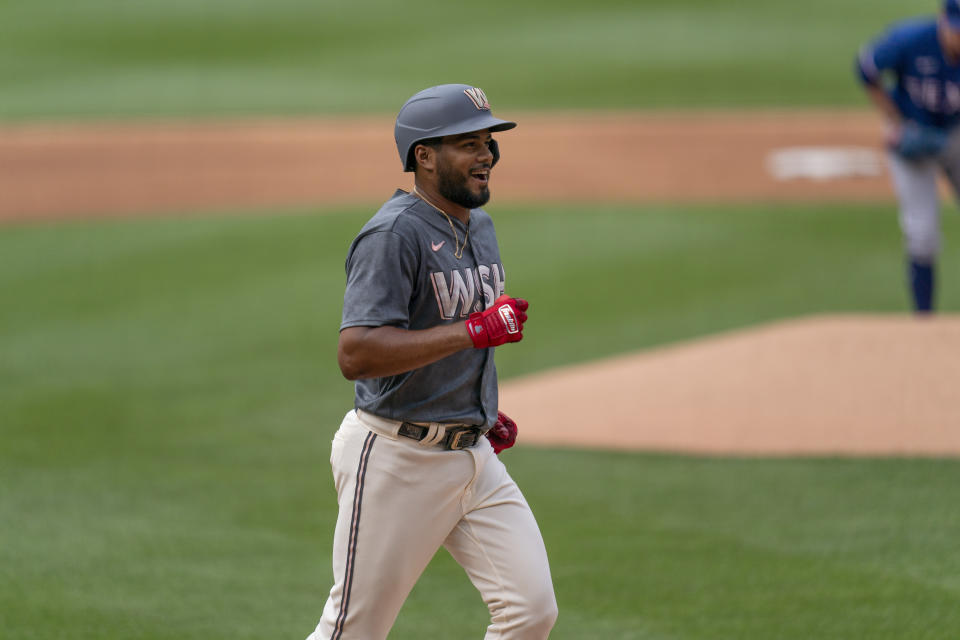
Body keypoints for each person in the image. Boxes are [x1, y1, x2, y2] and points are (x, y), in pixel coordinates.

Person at [305, 84, 558, 640]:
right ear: (424, 155)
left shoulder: (478, 227)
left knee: (531, 610)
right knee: (354, 629)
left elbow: (454, 331)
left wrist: (478, 410)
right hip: (397, 457)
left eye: (489, 143)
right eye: (469, 144)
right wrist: (473, 332)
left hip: (472, 456)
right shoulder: (393, 235)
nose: (487, 156)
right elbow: (357, 352)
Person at [855, 0, 960, 313]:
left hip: (956, 136)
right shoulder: (910, 40)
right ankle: (923, 323)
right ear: (943, 19)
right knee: (922, 234)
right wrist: (897, 122)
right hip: (914, 136)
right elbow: (865, 69)